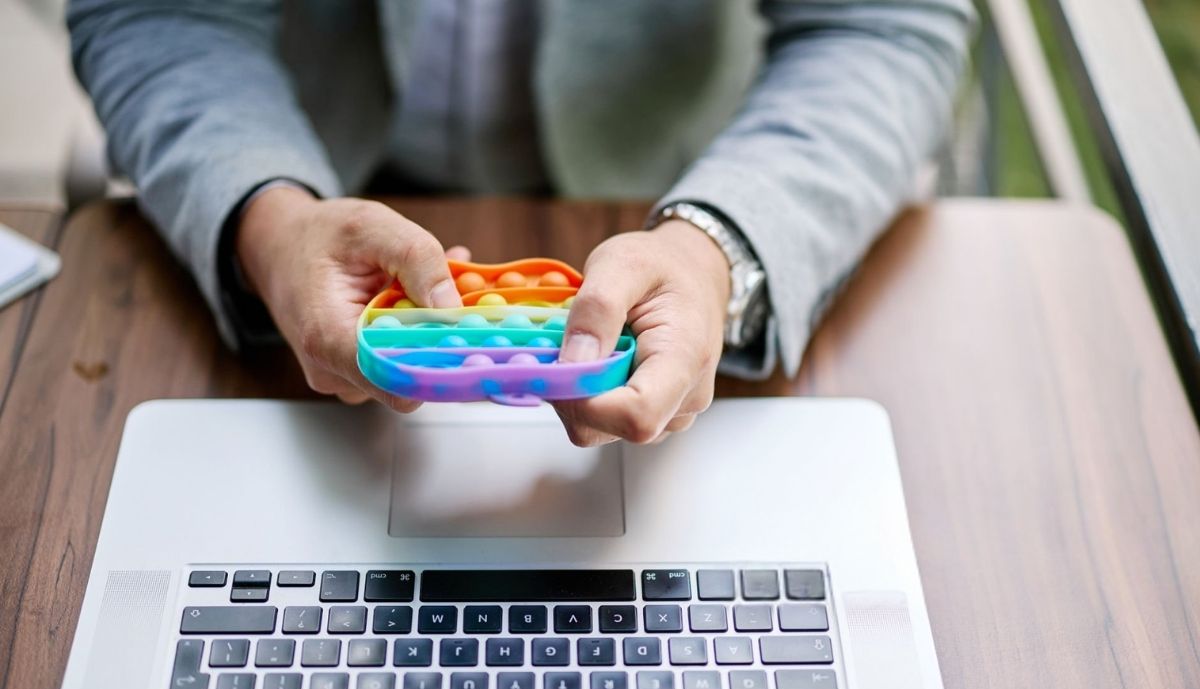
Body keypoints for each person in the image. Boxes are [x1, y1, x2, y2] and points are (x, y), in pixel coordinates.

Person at [68, 0, 973, 445]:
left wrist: (715, 247)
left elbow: (883, 24)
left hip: (681, 190)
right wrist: (268, 222)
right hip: (307, 169)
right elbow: (156, 12)